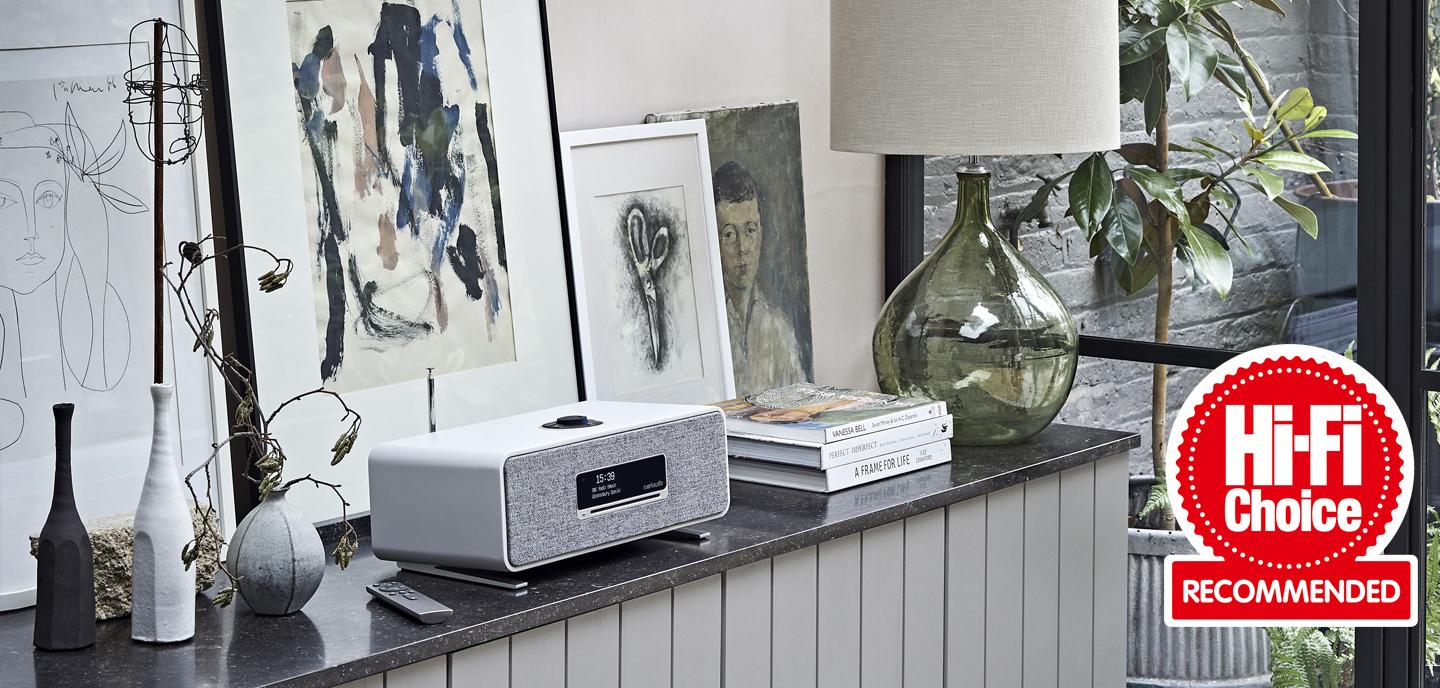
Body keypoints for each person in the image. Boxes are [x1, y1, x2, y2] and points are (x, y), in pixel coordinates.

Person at [712, 160, 804, 395]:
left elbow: (801, 412)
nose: (743, 248)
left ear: (760, 233)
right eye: (729, 234)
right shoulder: (706, 334)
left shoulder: (779, 330)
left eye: (750, 230)